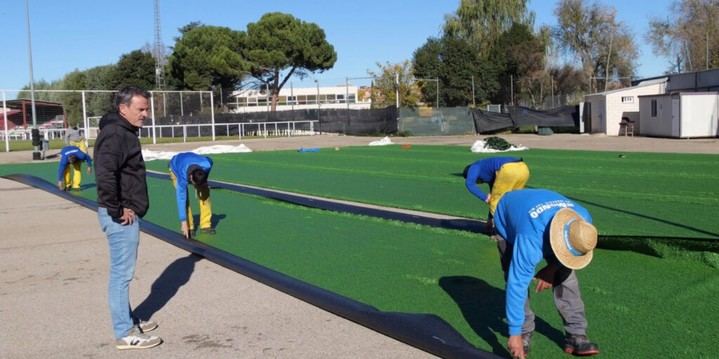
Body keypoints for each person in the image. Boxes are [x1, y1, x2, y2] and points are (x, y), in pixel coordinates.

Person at [492, 189, 600, 359]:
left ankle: (576, 334)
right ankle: (523, 332)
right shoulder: (530, 239)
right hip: (508, 219)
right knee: (516, 275)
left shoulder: (583, 222)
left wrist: (552, 269)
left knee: (566, 277)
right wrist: (514, 334)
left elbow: (567, 257)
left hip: (540, 213)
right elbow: (517, 283)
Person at [94, 86, 162, 350]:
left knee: (123, 273)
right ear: (123, 109)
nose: (146, 114)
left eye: (147, 108)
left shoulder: (124, 131)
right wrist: (117, 209)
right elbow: (105, 174)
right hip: (120, 216)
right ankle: (124, 332)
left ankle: (129, 319)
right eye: (140, 109)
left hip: (124, 211)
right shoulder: (115, 134)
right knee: (121, 274)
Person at [463, 157, 529, 230]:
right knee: (514, 200)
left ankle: (499, 230)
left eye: (477, 181)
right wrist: (489, 219)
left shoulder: (474, 166)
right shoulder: (491, 173)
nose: (480, 183)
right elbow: (493, 195)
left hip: (509, 169)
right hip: (524, 168)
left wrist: (484, 197)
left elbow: (469, 183)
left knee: (496, 201)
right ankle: (521, 226)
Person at [169, 152, 215, 238]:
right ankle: (189, 227)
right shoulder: (182, 177)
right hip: (175, 166)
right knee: (185, 200)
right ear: (190, 178)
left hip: (192, 161)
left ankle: (205, 225)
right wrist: (183, 221)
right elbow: (181, 199)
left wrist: (204, 180)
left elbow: (210, 160)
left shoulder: (207, 164)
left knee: (205, 194)